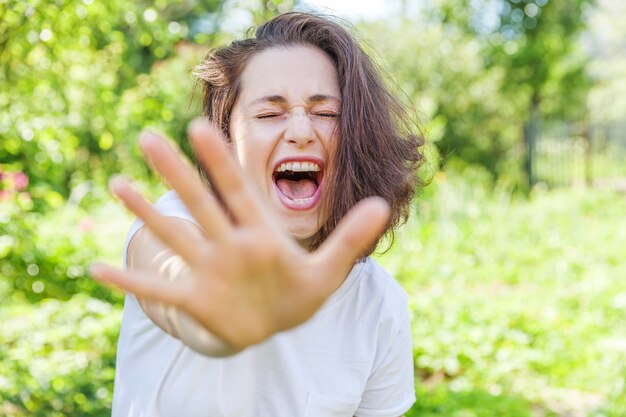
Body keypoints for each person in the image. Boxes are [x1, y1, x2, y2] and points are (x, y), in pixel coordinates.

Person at [89, 11, 423, 417]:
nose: (301, 130)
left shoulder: (379, 302)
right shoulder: (177, 224)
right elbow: (175, 276)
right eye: (268, 114)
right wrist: (219, 318)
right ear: (228, 140)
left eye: (327, 113)